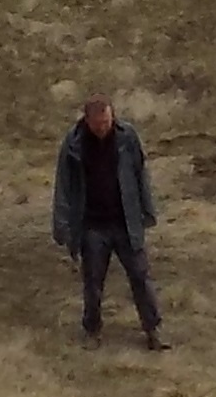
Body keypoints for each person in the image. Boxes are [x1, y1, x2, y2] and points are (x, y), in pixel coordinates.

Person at [50, 92, 162, 349]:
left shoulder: (128, 137)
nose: (104, 127)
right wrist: (62, 226)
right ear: (87, 120)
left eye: (107, 121)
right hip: (91, 226)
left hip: (125, 222)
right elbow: (63, 187)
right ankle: (92, 331)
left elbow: (140, 174)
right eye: (98, 124)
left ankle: (154, 329)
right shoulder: (73, 144)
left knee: (140, 276)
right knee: (93, 283)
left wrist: (148, 209)